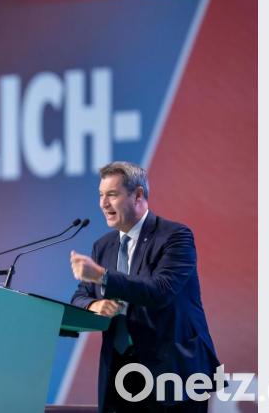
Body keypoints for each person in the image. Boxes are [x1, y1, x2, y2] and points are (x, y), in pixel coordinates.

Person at [70, 161, 220, 413]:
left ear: (138, 195)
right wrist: (94, 304)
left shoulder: (175, 236)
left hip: (171, 371)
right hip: (120, 372)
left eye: (112, 195)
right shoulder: (102, 246)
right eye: (100, 195)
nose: (103, 204)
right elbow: (80, 297)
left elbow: (160, 290)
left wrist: (103, 276)